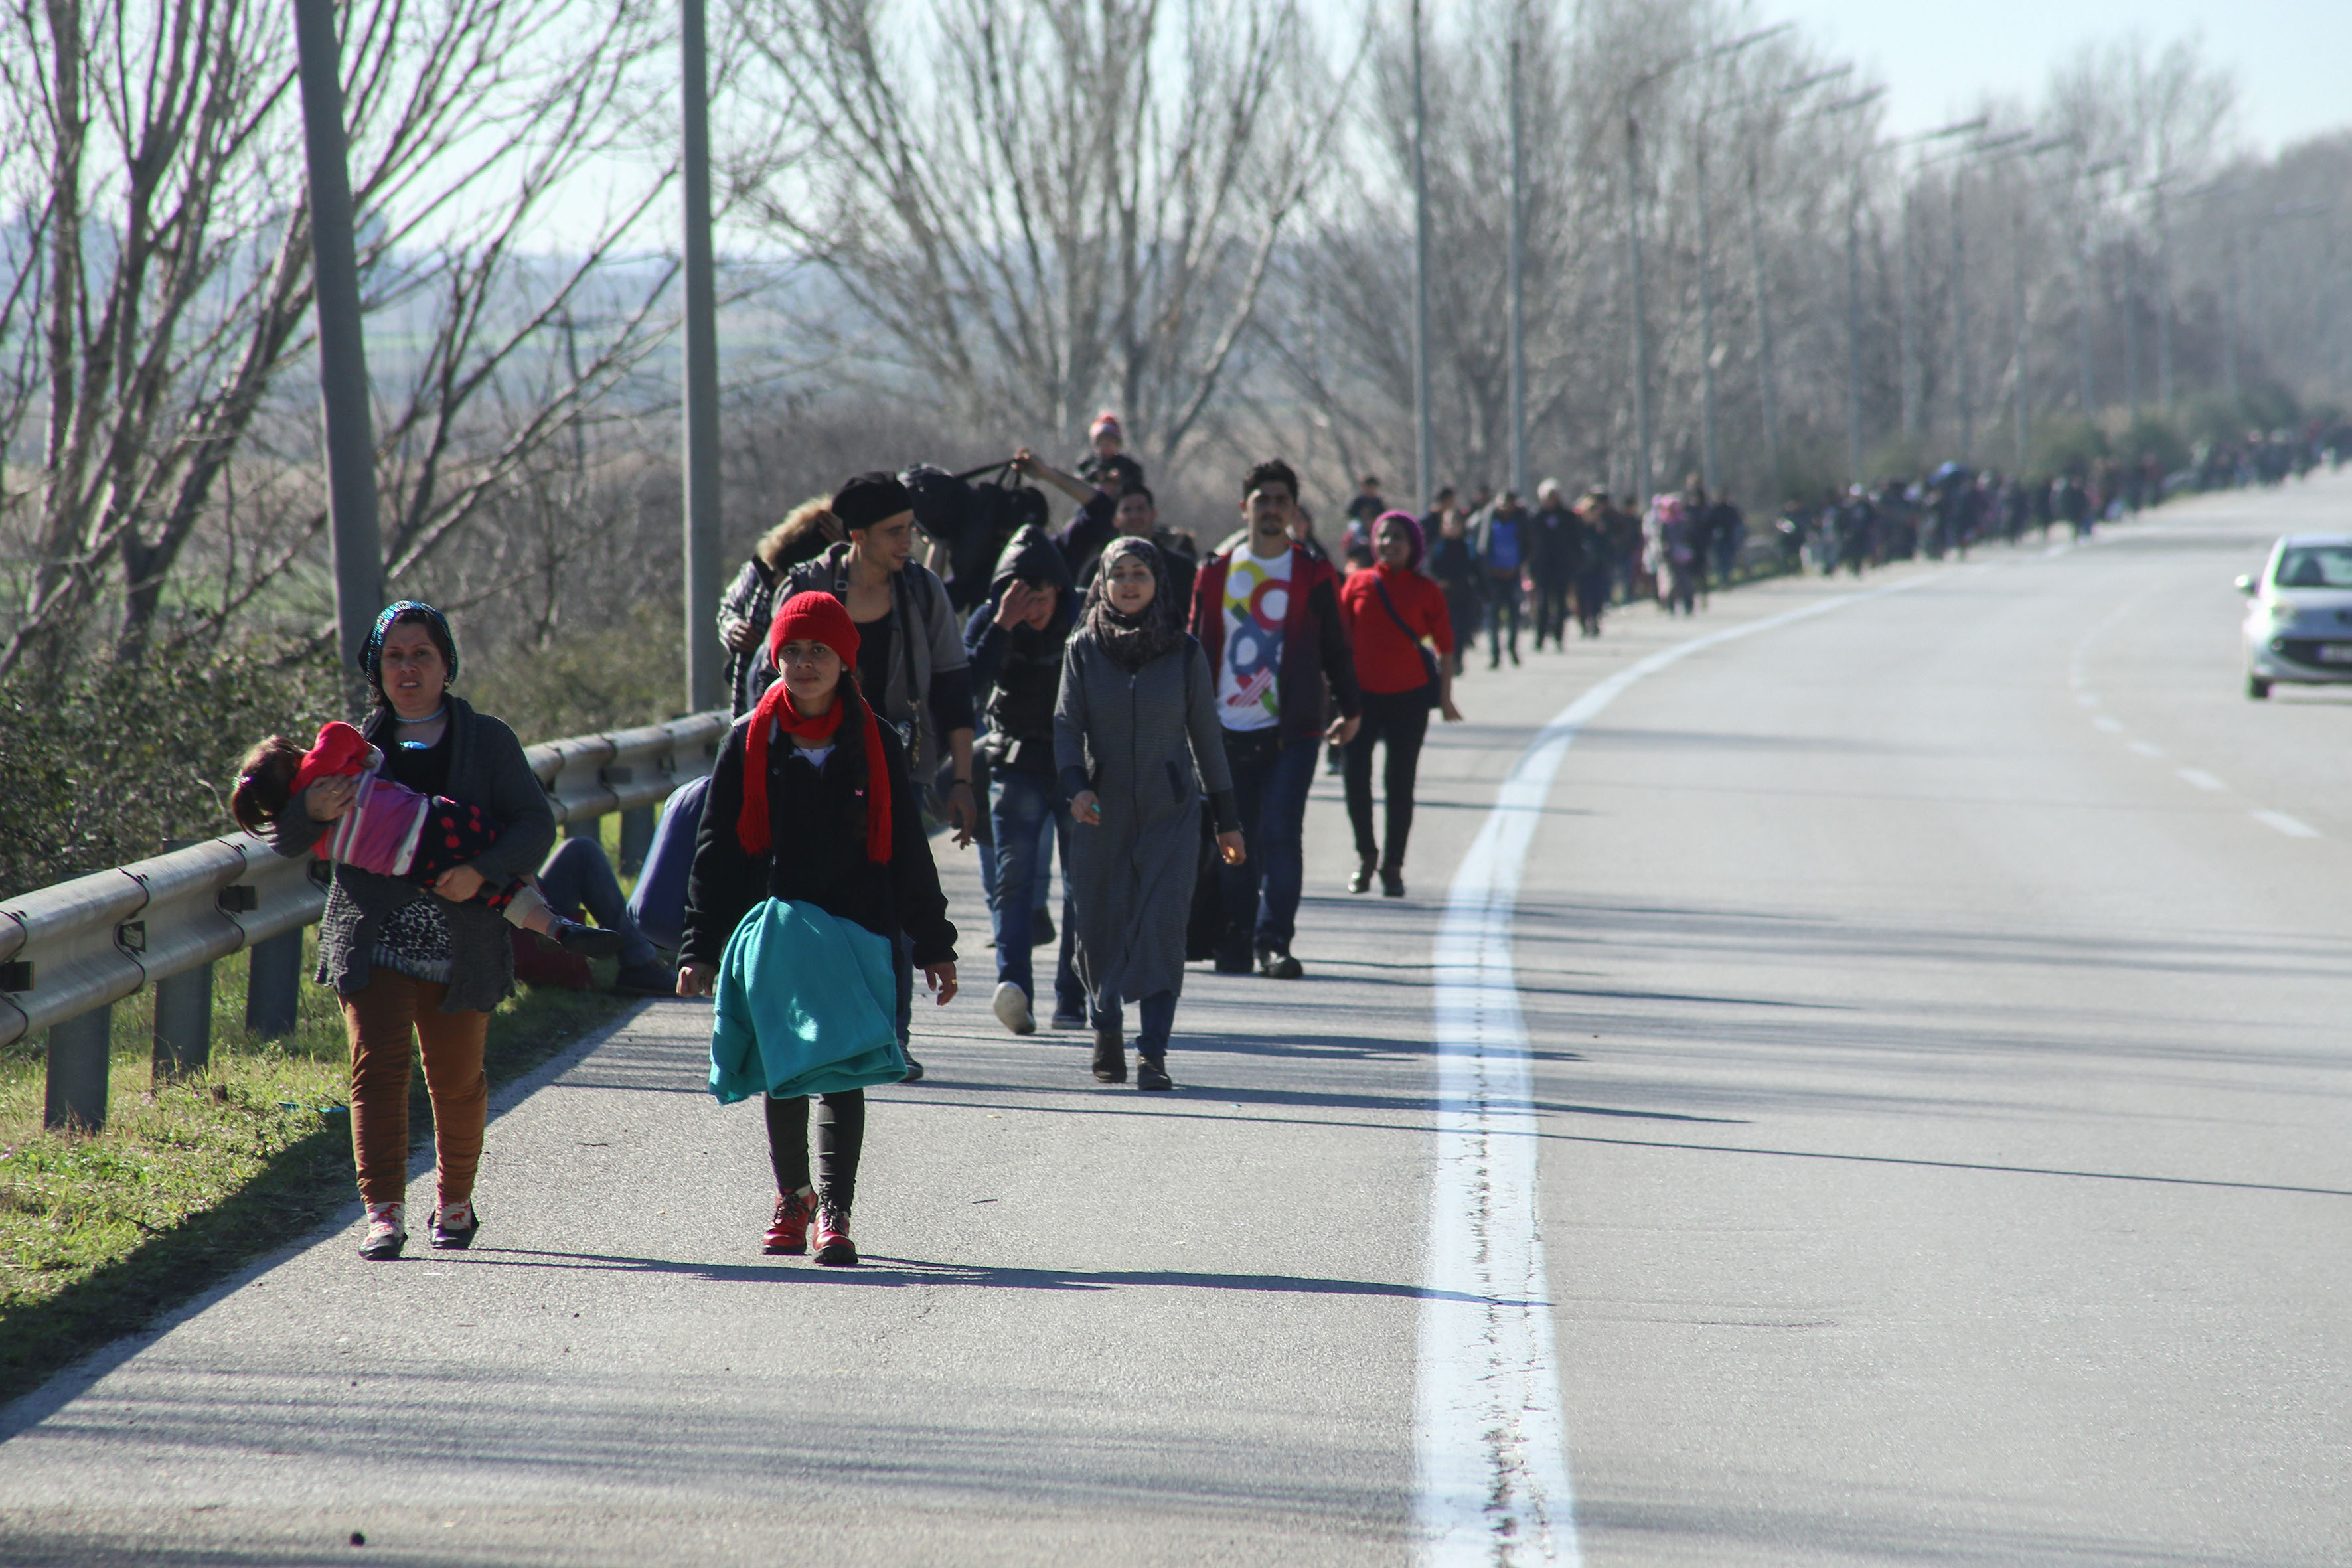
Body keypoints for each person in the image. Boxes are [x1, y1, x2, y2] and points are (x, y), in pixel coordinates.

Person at [263, 602, 553, 1261]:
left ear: (447, 663)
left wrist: (482, 870)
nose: (408, 667)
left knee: (456, 1078)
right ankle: (383, 1214)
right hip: (372, 936)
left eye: (421, 654)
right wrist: (308, 807)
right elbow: (287, 838)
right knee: (377, 1071)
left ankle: (454, 1203)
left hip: (464, 941)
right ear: (376, 668)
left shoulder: (489, 741)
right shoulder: (344, 748)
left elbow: (535, 824)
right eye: (394, 656)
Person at [677, 591, 957, 1266]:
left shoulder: (874, 738)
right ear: (775, 657)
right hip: (774, 931)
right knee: (784, 1068)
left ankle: (836, 1209)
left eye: (819, 652)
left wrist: (935, 943)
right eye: (792, 652)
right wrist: (700, 947)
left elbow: (908, 850)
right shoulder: (750, 740)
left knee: (842, 1069)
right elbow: (715, 851)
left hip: (858, 928)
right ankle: (793, 1195)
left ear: (844, 661)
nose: (803, 665)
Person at [777, 472, 979, 1083]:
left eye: (911, 529)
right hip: (809, 766)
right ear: (857, 537)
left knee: (887, 904)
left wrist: (963, 780)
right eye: (895, 532)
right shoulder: (808, 586)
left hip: (897, 768)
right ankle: (809, 1032)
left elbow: (952, 684)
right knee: (809, 905)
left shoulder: (921, 592)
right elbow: (772, 675)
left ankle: (890, 1037)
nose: (909, 542)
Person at [1057, 538, 1244, 1088]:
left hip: (1172, 814)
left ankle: (1153, 1053)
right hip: (1099, 813)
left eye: (1140, 573)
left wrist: (1226, 819)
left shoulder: (1183, 652)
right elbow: (1066, 727)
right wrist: (1076, 788)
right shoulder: (1083, 649)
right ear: (1103, 583)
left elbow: (1207, 740)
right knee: (1097, 929)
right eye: (1119, 574)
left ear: (1158, 582)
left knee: (1163, 928)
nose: (1130, 584)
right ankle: (1106, 1022)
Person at [233, 724, 620, 959]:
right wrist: (363, 756)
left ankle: (555, 929)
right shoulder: (326, 769)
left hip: (415, 870)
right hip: (432, 824)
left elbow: (284, 843)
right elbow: (343, 736)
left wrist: (301, 809)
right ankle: (549, 917)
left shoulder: (309, 832)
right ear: (292, 758)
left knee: (495, 894)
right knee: (497, 848)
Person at [1189, 458, 1361, 979]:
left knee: (1283, 835)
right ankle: (1237, 938)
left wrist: (1351, 710)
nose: (1270, 509)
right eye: (1261, 500)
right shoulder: (1216, 573)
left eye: (1280, 501)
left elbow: (1335, 645)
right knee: (1234, 841)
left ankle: (1273, 942)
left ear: (1293, 510)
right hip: (1224, 730)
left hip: (1294, 730)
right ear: (1245, 508)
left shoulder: (1311, 571)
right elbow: (1192, 651)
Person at [963, 524, 1087, 1036]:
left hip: (1078, 767)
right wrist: (1002, 625)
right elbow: (965, 685)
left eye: (1039, 596)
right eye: (1020, 596)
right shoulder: (992, 619)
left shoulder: (1085, 616)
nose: (1032, 607)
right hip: (1015, 763)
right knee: (1012, 882)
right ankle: (1013, 988)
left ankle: (1073, 996)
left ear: (1059, 588)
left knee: (1083, 886)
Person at [1336, 512, 1460, 898]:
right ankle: (1366, 858)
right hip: (1361, 699)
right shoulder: (1357, 583)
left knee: (1399, 784)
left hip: (1409, 699)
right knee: (1355, 779)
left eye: (1399, 539)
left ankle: (1393, 866)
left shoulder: (1426, 590)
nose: (1390, 544)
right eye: (1384, 537)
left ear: (1414, 547)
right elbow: (1339, 642)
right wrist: (1337, 699)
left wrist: (1445, 698)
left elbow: (1446, 648)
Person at [718, 497, 842, 717]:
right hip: (756, 704)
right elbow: (728, 609)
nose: (779, 586)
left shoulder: (839, 587)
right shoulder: (759, 573)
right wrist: (733, 629)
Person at [1425, 497, 1482, 674]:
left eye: (1455, 523)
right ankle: (1444, 661)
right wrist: (1439, 582)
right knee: (1446, 629)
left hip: (1464, 594)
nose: (1452, 527)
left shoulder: (1467, 545)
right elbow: (1431, 569)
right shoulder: (1438, 546)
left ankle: (1457, 660)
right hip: (1444, 595)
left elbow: (1477, 569)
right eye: (1448, 523)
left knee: (1462, 629)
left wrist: (1483, 590)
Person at [1525, 481, 1581, 651]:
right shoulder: (1536, 517)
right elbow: (1529, 544)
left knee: (1561, 605)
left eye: (1554, 496)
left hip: (1562, 567)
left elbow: (1576, 542)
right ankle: (1540, 638)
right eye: (1548, 496)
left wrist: (1574, 564)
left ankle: (1558, 637)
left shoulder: (1568, 517)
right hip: (1542, 568)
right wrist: (1530, 567)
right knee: (1542, 605)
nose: (1551, 500)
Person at [1477, 490, 1529, 666]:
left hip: (1513, 574)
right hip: (1493, 576)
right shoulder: (1489, 518)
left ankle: (1512, 648)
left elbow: (1529, 544)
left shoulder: (1521, 520)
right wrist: (1487, 571)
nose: (1505, 507)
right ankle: (1495, 654)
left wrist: (1519, 565)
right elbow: (1482, 546)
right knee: (1493, 616)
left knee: (1515, 614)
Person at [1571, 488, 1614, 639]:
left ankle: (1595, 620)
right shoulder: (1577, 525)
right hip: (1580, 567)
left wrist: (1601, 531)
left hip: (1597, 566)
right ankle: (1583, 622)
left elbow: (1607, 546)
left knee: (1597, 596)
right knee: (1581, 597)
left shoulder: (1601, 527)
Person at [1076, 411, 1144, 496]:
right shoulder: (1088, 464)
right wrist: (1093, 475)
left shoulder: (1127, 464)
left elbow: (1137, 481)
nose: (1105, 448)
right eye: (1102, 444)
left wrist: (1120, 479)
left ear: (1116, 445)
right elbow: (1077, 481)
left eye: (1109, 444)